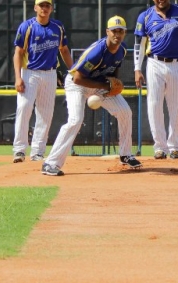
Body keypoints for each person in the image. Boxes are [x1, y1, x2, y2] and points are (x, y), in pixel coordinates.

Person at [41, 16, 142, 176]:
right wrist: (105, 86)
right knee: (75, 120)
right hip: (77, 85)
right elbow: (77, 78)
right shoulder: (96, 52)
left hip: (99, 84)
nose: (117, 34)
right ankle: (50, 163)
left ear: (125, 33)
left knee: (125, 112)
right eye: (114, 31)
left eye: (120, 31)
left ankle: (125, 154)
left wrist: (113, 84)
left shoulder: (122, 49)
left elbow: (114, 67)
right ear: (107, 32)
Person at [133, 0, 178, 160]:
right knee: (154, 105)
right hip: (154, 63)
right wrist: (137, 69)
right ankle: (159, 147)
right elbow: (139, 45)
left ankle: (174, 146)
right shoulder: (145, 16)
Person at [12, 0, 73, 163]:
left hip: (50, 73)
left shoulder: (58, 27)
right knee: (24, 108)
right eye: (41, 5)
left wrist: (74, 71)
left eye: (47, 5)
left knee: (45, 113)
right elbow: (18, 53)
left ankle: (38, 151)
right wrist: (18, 77)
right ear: (35, 8)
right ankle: (19, 149)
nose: (44, 8)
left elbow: (64, 50)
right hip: (29, 72)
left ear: (51, 8)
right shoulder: (27, 26)